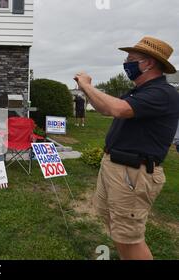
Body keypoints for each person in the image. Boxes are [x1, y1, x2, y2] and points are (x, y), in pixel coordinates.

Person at [74, 36, 179, 260]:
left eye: (131, 59)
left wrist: (86, 85)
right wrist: (87, 90)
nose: (126, 63)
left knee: (129, 237)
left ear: (149, 63)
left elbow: (118, 109)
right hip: (116, 168)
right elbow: (105, 109)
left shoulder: (162, 93)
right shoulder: (139, 91)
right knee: (116, 226)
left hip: (133, 174)